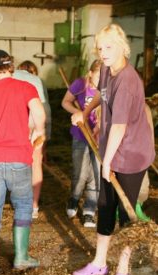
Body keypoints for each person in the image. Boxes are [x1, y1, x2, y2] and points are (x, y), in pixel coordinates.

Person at [70, 24, 155, 275]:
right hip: (111, 149)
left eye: (108, 47)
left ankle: (123, 271)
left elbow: (119, 126)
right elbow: (100, 96)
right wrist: (86, 111)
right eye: (100, 48)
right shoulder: (107, 68)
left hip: (131, 155)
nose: (103, 53)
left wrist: (107, 163)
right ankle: (99, 263)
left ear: (122, 47)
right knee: (105, 207)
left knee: (126, 215)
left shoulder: (128, 82)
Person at [0, 50, 47, 275]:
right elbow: (39, 113)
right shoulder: (26, 88)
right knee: (24, 205)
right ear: (11, 68)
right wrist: (39, 134)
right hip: (19, 157)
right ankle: (21, 257)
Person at [61, 59, 102, 227]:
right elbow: (65, 102)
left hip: (99, 137)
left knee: (96, 174)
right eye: (99, 75)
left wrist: (99, 127)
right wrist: (79, 113)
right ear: (91, 73)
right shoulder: (80, 84)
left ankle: (90, 209)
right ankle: (74, 198)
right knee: (81, 173)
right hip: (80, 136)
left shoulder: (108, 88)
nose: (102, 80)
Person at [13, 60, 52, 219]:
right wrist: (45, 138)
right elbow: (45, 110)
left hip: (18, 123)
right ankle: (34, 206)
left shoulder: (12, 77)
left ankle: (20, 204)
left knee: (17, 164)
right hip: (37, 121)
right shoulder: (38, 81)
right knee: (36, 163)